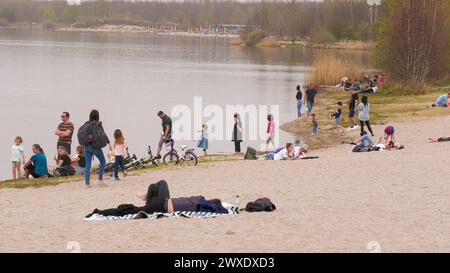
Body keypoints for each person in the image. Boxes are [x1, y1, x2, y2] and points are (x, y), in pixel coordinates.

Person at [86, 180, 227, 217]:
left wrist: (220, 206)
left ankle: (100, 211)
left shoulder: (202, 204)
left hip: (161, 206)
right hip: (162, 203)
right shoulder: (201, 201)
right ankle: (147, 197)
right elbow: (222, 210)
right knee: (156, 185)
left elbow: (220, 210)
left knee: (130, 210)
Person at [83, 110, 112, 187]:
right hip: (96, 147)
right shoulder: (98, 124)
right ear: (97, 116)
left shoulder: (86, 124)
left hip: (87, 147)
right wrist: (109, 143)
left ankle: (87, 183)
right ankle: (100, 180)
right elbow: (103, 133)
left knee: (87, 166)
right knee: (102, 162)